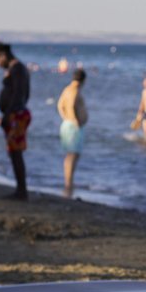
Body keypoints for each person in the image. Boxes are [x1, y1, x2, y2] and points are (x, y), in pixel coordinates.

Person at [0, 42, 31, 200]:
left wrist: (9, 114)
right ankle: (20, 189)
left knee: (16, 152)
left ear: (3, 55)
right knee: (13, 152)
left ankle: (21, 191)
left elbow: (19, 93)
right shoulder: (15, 69)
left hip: (16, 115)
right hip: (14, 113)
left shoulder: (17, 69)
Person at [58, 69, 89, 197]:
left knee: (70, 155)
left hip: (67, 124)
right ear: (83, 80)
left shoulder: (67, 89)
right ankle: (69, 183)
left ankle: (69, 181)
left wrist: (65, 117)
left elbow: (60, 105)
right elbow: (70, 106)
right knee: (73, 155)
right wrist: (75, 121)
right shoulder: (74, 91)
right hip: (73, 127)